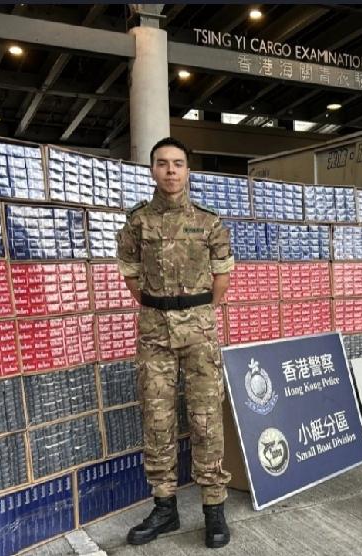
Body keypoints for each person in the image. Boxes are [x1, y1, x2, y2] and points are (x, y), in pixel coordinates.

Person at [116, 137, 234, 549]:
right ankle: (164, 508)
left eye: (178, 163)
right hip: (154, 331)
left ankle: (213, 508)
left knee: (205, 419)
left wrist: (196, 311)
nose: (170, 171)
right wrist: (163, 309)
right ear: (152, 170)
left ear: (188, 171)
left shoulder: (209, 222)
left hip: (199, 332)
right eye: (163, 163)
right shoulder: (137, 223)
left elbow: (222, 277)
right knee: (157, 418)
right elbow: (131, 276)